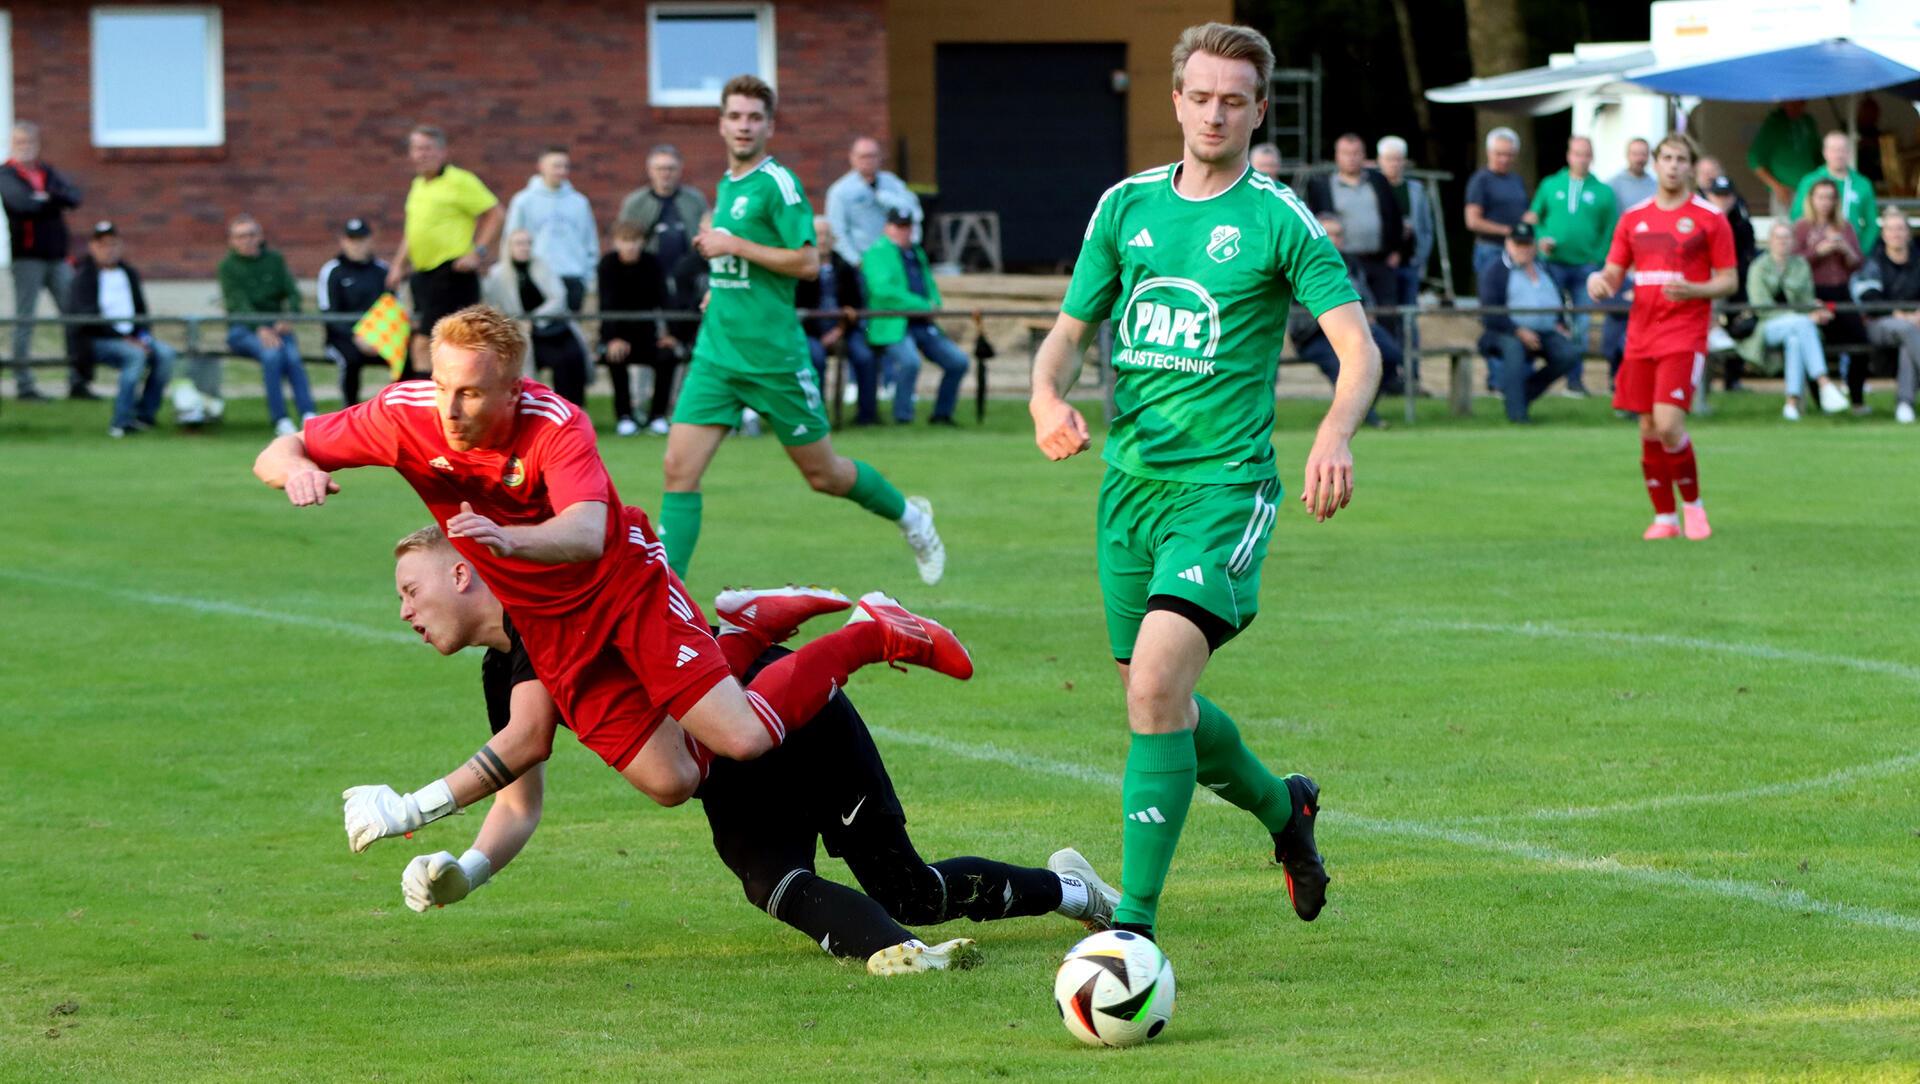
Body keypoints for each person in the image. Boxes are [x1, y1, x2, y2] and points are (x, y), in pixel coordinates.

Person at [253, 304, 971, 811]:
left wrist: (510, 541)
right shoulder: (403, 416)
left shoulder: (556, 426)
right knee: (671, 782)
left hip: (620, 585)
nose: (450, 408)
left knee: (744, 738)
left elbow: (586, 532)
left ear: (514, 386)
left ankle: (873, 631)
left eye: (471, 392)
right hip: (551, 626)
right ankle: (748, 629)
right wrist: (297, 470)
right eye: (442, 385)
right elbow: (280, 448)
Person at [358, 547, 1121, 974]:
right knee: (773, 882)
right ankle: (905, 957)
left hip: (779, 710)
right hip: (723, 748)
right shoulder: (506, 670)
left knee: (913, 888)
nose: (403, 611)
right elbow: (519, 801)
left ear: (461, 573)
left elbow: (526, 739)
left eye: (409, 588)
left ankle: (1074, 892)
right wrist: (468, 872)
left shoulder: (545, 611)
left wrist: (409, 809)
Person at [1029, 22, 1367, 941]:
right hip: (1126, 492)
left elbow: (1357, 347)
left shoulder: (1276, 217)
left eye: (1235, 100)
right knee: (1157, 696)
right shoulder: (1125, 207)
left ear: (1260, 110)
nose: (1216, 113)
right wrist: (1043, 396)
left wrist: (1334, 430)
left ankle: (1131, 929)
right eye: (1201, 95)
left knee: (1153, 691)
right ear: (1176, 99)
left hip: (1222, 493)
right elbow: (1066, 332)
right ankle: (1283, 809)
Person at [660, 75, 945, 585]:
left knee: (824, 475)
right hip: (717, 355)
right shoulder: (729, 184)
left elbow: (808, 261)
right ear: (720, 123)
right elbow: (742, 263)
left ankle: (912, 517)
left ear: (769, 125)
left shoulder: (778, 184)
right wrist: (721, 286)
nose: (744, 126)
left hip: (774, 359)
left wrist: (734, 247)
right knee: (678, 472)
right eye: (735, 116)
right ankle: (665, 603)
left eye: (754, 118)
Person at [1588, 132, 1736, 542]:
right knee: (1648, 427)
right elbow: (1615, 270)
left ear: (1691, 166)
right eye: (1666, 158)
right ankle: (1664, 518)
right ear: (1655, 164)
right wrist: (1600, 281)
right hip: (1641, 333)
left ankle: (1694, 506)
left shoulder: (1709, 218)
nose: (1672, 165)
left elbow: (1728, 280)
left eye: (1680, 159)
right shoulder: (1633, 218)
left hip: (1684, 333)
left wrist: (1696, 290)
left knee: (1670, 423)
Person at [388, 125, 503, 378]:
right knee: (423, 344)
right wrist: (398, 264)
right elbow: (414, 230)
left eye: (428, 148)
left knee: (426, 343)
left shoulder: (460, 181)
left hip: (451, 274)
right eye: (417, 149)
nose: (422, 154)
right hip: (423, 275)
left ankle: (427, 410)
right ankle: (423, 403)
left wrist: (477, 252)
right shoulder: (418, 185)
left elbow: (495, 213)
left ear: (442, 152)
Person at [1524, 136, 1616, 396]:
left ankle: (1575, 381)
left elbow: (1611, 230)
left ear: (1592, 157)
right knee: (1545, 318)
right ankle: (1532, 376)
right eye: (1577, 154)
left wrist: (1596, 257)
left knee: (1582, 324)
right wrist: (1541, 238)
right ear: (1568, 155)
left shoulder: (1603, 191)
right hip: (1552, 264)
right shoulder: (1551, 185)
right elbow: (1533, 217)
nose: (1581, 159)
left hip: (1585, 268)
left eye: (1586, 154)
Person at [67, 221, 175, 437]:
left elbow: (141, 312)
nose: (109, 250)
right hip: (97, 340)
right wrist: (123, 338)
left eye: (113, 244)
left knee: (166, 354)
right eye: (103, 245)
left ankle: (145, 416)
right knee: (134, 357)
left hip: (133, 336)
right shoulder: (83, 276)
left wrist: (142, 336)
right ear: (93, 246)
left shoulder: (129, 274)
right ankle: (121, 421)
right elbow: (88, 319)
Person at [1, 121, 83, 401]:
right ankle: (24, 385)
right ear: (12, 144)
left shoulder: (46, 172)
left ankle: (78, 380)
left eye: (29, 142)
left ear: (36, 144)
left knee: (74, 317)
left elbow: (73, 197)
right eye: (19, 142)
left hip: (57, 256)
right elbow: (22, 205)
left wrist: (45, 197)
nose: (25, 147)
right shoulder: (7, 174)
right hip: (28, 258)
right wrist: (51, 201)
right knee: (25, 321)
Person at [864, 208, 968, 426]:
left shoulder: (916, 252)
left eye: (908, 227)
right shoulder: (876, 252)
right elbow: (882, 291)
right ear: (888, 228)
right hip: (894, 323)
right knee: (909, 362)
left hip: (922, 322)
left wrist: (935, 303)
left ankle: (942, 414)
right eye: (899, 227)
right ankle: (903, 417)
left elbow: (928, 283)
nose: (905, 232)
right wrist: (922, 305)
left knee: (958, 362)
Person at [1287, 215, 1389, 429]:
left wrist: (1367, 314)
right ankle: (1359, 419)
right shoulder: (1298, 261)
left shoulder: (1352, 263)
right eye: (1328, 233)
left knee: (1391, 354)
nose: (1333, 239)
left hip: (1356, 327)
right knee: (1343, 364)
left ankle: (1361, 407)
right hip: (1313, 335)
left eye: (1338, 234)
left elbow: (1366, 294)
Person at [219, 214, 314, 436]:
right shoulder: (228, 267)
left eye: (251, 235)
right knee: (272, 356)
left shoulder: (274, 260)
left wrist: (289, 315)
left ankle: (309, 414)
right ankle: (280, 418)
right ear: (232, 241)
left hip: (276, 324)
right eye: (241, 236)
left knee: (292, 357)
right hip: (243, 328)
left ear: (260, 236)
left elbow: (292, 293)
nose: (247, 240)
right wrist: (260, 327)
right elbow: (237, 303)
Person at [1741, 221, 1845, 421]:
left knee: (1796, 340)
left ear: (1793, 241)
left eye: (1787, 237)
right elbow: (1760, 307)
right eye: (1778, 237)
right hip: (1766, 327)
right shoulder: (1759, 267)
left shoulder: (1800, 265)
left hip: (1798, 328)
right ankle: (1824, 383)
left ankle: (1791, 404)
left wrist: (1816, 310)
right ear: (1770, 241)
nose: (1782, 242)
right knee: (1803, 324)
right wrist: (1804, 316)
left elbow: (1806, 300)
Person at [1478, 223, 1581, 423]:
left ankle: (1522, 394)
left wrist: (1560, 323)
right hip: (1504, 331)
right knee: (1514, 349)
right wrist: (1518, 331)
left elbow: (1557, 298)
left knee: (1568, 354)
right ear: (1508, 244)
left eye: (1527, 244)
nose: (1523, 248)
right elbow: (1490, 313)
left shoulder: (1544, 267)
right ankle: (1517, 416)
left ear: (1534, 245)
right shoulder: (1496, 271)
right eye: (1518, 244)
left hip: (1545, 331)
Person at [484, 228, 592, 408]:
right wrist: (519, 323)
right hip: (520, 331)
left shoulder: (542, 267)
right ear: (509, 246)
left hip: (551, 325)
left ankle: (571, 408)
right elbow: (496, 308)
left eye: (528, 243)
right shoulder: (498, 275)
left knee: (572, 357)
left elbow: (558, 298)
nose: (524, 248)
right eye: (519, 244)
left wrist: (535, 319)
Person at [795, 214, 882, 424]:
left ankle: (867, 416)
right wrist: (818, 333)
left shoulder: (845, 267)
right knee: (815, 358)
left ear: (833, 239)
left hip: (844, 329)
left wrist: (840, 330)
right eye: (818, 235)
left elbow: (857, 305)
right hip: (810, 331)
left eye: (826, 235)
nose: (822, 240)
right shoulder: (799, 268)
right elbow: (795, 308)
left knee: (865, 357)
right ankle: (817, 415)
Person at [1306, 133, 1404, 318]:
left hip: (1380, 261)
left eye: (1356, 153)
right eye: (1346, 153)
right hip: (1343, 262)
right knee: (1350, 315)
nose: (1351, 158)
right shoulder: (1323, 185)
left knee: (1387, 314)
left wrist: (1395, 251)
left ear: (1364, 155)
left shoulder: (1378, 181)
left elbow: (1394, 215)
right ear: (1337, 156)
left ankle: (1388, 346)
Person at [1793, 178, 1867, 413]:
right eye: (1821, 197)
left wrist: (1845, 249)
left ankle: (1857, 399)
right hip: (1814, 293)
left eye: (1830, 197)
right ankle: (1821, 401)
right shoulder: (1802, 228)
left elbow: (1857, 263)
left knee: (1860, 342)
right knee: (1815, 341)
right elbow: (1793, 264)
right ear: (1812, 200)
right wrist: (1818, 251)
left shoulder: (1844, 227)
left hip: (1841, 292)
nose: (1825, 202)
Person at [597, 219, 673, 435]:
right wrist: (611, 338)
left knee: (667, 356)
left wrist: (670, 334)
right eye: (625, 241)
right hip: (617, 334)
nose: (630, 246)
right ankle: (624, 416)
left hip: (647, 335)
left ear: (642, 242)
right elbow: (606, 305)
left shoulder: (652, 263)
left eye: (635, 241)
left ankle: (657, 415)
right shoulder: (608, 264)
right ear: (616, 243)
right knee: (615, 357)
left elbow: (664, 300)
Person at [504, 145, 598, 315]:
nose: (561, 171)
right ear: (541, 166)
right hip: (538, 277)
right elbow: (510, 240)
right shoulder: (523, 201)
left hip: (572, 276)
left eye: (565, 166)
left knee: (569, 333)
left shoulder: (579, 202)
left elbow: (590, 242)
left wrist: (587, 279)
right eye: (556, 166)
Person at [1851, 206, 1920, 425]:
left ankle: (1905, 403)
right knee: (1908, 330)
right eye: (1891, 229)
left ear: (1908, 233)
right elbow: (1869, 300)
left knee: (1907, 345)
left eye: (1900, 229)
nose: (1896, 234)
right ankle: (1904, 404)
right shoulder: (1873, 262)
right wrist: (1896, 313)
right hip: (1879, 324)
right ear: (1884, 234)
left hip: (1914, 327)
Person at [317, 218, 391, 406]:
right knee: (350, 360)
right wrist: (356, 335)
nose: (357, 245)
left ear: (370, 240)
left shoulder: (382, 270)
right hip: (342, 337)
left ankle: (399, 411)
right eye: (352, 240)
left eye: (361, 239)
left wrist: (376, 337)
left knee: (407, 357)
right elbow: (329, 315)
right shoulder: (332, 270)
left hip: (378, 336)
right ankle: (349, 410)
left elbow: (391, 308)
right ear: (343, 241)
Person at [825, 136, 923, 269]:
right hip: (863, 260)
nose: (868, 161)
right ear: (852, 157)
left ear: (880, 157)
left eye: (872, 156)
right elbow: (837, 232)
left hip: (895, 259)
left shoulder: (892, 183)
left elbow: (915, 213)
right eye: (863, 156)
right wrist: (857, 261)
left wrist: (885, 198)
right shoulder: (840, 190)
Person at [1703, 176, 1757, 391]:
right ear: (1709, 196)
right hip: (1707, 286)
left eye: (1726, 196)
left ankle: (1732, 379)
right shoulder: (1701, 222)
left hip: (1736, 285)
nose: (1722, 200)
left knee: (1741, 324)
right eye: (1718, 196)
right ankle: (1702, 387)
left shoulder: (1742, 225)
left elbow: (1748, 258)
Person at [1790, 131, 1879, 256]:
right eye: (1833, 150)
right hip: (1815, 252)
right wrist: (1810, 250)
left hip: (1850, 253)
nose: (1838, 155)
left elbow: (1871, 224)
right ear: (1824, 153)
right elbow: (1797, 217)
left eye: (1842, 150)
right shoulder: (1809, 181)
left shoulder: (1863, 184)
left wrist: (1860, 252)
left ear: (1849, 152)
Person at [1376, 136, 1432, 329]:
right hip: (1381, 265)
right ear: (1379, 160)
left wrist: (1419, 258)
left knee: (1409, 320)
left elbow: (1426, 229)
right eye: (1389, 158)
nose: (1394, 164)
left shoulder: (1416, 190)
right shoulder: (1373, 189)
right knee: (1384, 318)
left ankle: (1411, 359)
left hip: (1409, 263)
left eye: (1398, 159)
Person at [1465, 127, 1529, 285]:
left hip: (1517, 250)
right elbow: (1472, 221)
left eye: (1509, 154)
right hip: (1490, 249)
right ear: (1489, 152)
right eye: (1499, 154)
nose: (1504, 159)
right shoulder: (1481, 180)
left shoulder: (1516, 180)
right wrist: (1506, 231)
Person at [1748, 99, 1821, 215]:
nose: (1794, 107)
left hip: (1809, 189)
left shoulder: (1808, 122)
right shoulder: (1773, 123)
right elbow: (1755, 161)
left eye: (1798, 103)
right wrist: (1776, 187)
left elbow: (1818, 157)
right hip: (1786, 191)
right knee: (1784, 230)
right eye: (1790, 104)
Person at [1606, 137, 1656, 213]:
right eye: (1635, 154)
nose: (1639, 159)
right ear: (1627, 155)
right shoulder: (1612, 185)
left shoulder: (1656, 185)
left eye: (1643, 154)